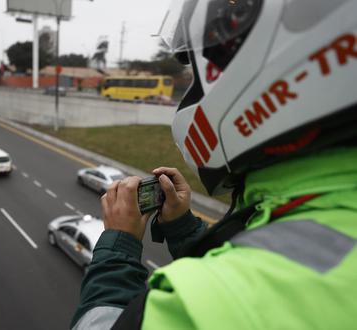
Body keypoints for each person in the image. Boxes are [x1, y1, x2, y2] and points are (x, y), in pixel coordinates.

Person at [71, 0, 357, 329]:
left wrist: (119, 245)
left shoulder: (219, 301)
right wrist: (182, 228)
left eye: (198, 76)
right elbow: (261, 255)